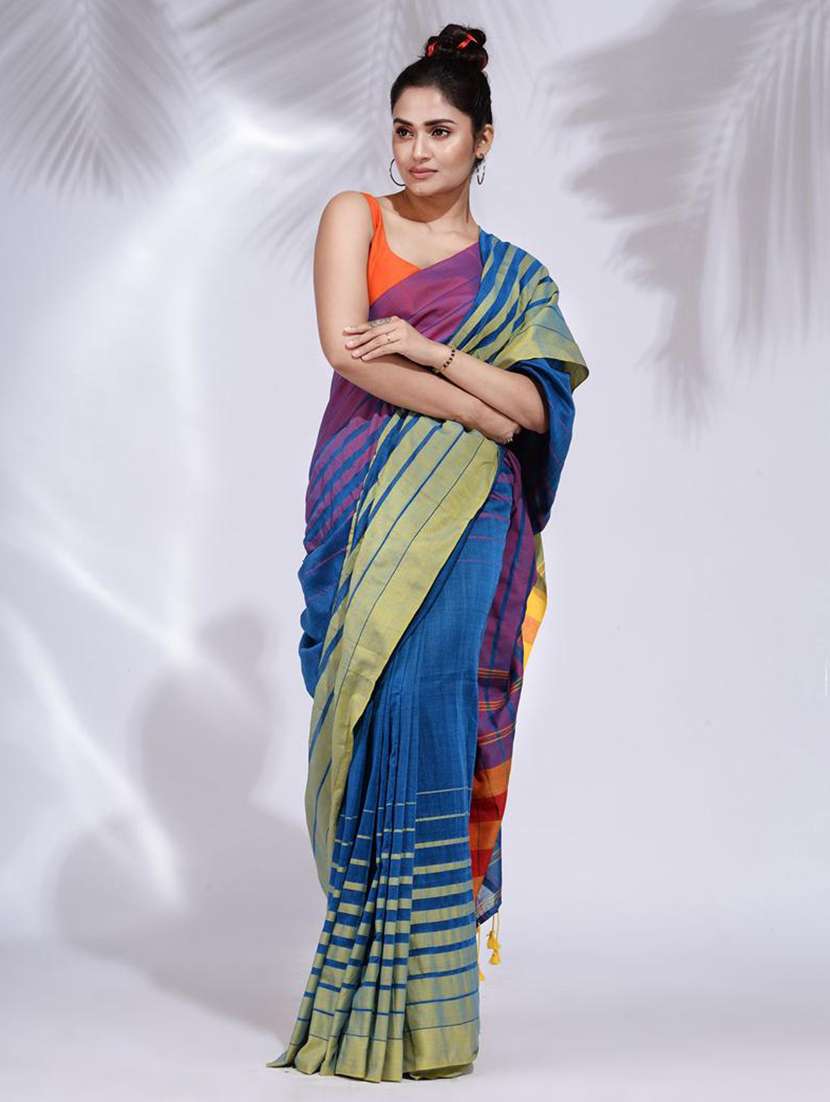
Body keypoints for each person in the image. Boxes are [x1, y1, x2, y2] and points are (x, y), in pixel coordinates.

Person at [266, 22, 589, 1082]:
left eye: (438, 131)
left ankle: (430, 1019)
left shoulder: (516, 278)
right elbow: (347, 352)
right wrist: (482, 407)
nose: (414, 150)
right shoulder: (352, 217)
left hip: (471, 519)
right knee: (366, 706)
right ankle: (361, 988)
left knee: (431, 715)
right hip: (363, 495)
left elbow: (537, 408)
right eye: (402, 130)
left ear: (481, 141)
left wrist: (436, 356)